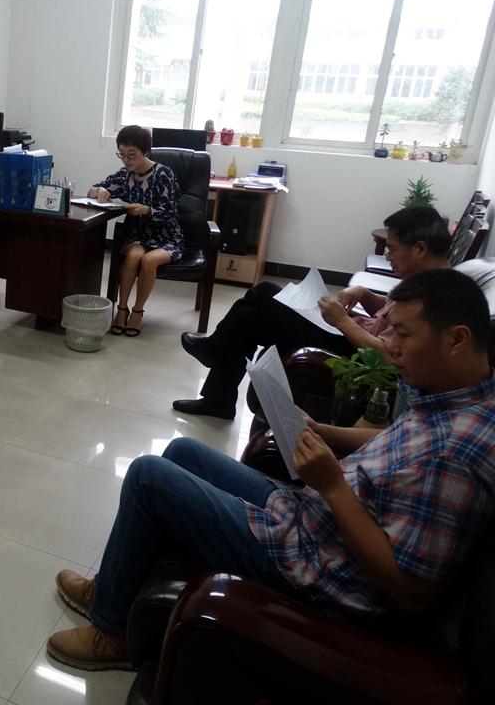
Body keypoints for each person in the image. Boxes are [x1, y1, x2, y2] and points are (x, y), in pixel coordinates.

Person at [47, 268, 495, 671]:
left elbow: (410, 590)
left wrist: (332, 485)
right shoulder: (449, 394)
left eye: (403, 334)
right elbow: (393, 443)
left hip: (318, 568)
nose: (389, 346)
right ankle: (113, 586)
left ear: (456, 339)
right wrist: (322, 431)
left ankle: (113, 632)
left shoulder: (456, 456)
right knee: (184, 451)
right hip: (313, 520)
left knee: (147, 476)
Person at [173, 205, 451, 419]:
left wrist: (342, 322)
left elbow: (390, 359)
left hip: (352, 353)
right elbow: (388, 312)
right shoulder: (425, 279)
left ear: (420, 249)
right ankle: (218, 400)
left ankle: (214, 352)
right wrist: (363, 293)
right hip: (351, 334)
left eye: (392, 250)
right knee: (248, 318)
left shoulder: (434, 299)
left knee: (265, 291)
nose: (387, 257)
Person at [86, 125, 183, 337]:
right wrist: (101, 190)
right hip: (138, 235)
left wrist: (146, 210)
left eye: (131, 155)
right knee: (134, 256)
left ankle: (137, 311)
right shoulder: (124, 175)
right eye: (121, 154)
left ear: (145, 152)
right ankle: (122, 308)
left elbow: (170, 213)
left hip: (167, 236)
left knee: (149, 260)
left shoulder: (164, 174)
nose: (126, 160)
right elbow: (92, 189)